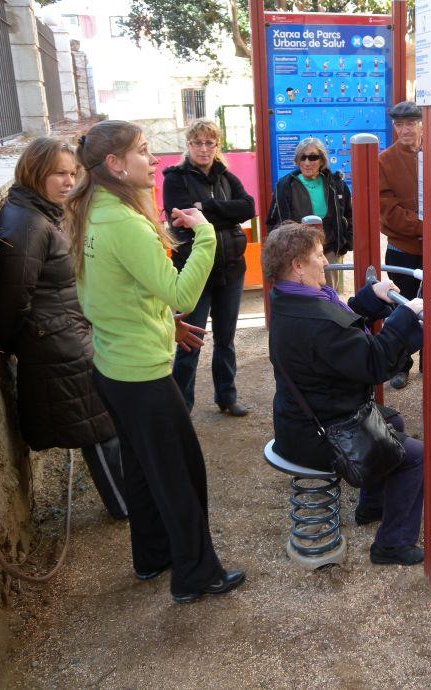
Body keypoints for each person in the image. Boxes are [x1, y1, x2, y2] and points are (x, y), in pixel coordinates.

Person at [67, 120, 245, 603]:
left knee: (144, 470)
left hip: (113, 366)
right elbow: (182, 294)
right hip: (140, 375)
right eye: (144, 151)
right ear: (114, 164)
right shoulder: (125, 223)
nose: (154, 160)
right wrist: (205, 235)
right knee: (181, 473)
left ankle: (152, 556)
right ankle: (196, 575)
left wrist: (166, 326)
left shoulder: (93, 211)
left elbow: (116, 294)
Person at [264, 221, 426, 565]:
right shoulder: (315, 320)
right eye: (318, 255)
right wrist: (405, 318)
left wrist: (370, 298)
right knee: (416, 458)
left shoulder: (289, 298)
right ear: (297, 266)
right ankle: (392, 545)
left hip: (301, 420)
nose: (326, 261)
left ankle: (372, 506)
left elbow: (340, 332)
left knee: (392, 421)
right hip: (320, 435)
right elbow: (375, 362)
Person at [0, 137, 127, 520]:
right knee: (97, 428)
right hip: (59, 343)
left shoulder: (40, 213)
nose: (69, 182)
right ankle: (125, 505)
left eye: (73, 173)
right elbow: (11, 301)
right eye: (59, 174)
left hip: (68, 333)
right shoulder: (27, 225)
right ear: (35, 173)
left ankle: (128, 500)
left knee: (101, 421)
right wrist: (30, 340)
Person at [163, 119, 255, 416]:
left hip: (231, 269)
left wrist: (206, 208)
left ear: (217, 146)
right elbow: (181, 217)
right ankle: (180, 408)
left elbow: (248, 207)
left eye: (210, 143)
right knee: (191, 340)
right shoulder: (175, 178)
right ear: (188, 145)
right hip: (195, 273)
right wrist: (225, 215)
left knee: (226, 339)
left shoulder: (225, 176)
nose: (204, 149)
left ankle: (227, 396)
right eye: (198, 143)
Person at [265, 137, 352, 294]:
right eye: (302, 157)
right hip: (296, 254)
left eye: (313, 157)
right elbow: (273, 220)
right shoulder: (285, 185)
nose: (307, 162)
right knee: (300, 295)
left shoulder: (336, 184)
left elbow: (349, 215)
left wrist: (346, 243)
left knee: (328, 294)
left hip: (328, 250)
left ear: (322, 160)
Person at [378, 101, 423, 389]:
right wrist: (426, 228)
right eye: (399, 124)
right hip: (402, 249)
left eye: (410, 123)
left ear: (422, 124)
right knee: (401, 308)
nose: (404, 130)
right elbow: (387, 211)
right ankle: (402, 364)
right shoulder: (384, 160)